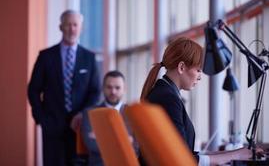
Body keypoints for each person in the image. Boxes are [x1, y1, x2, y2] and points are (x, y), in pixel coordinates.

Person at [140, 37, 253, 166]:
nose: (200, 77)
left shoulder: (162, 92)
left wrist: (234, 154)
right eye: (198, 70)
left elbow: (183, 154)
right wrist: (235, 155)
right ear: (181, 67)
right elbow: (181, 159)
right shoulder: (168, 99)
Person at [28, 10, 101, 166]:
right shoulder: (46, 56)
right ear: (61, 27)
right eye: (68, 24)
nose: (72, 29)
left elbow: (95, 92)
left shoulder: (89, 57)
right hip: (52, 126)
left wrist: (83, 114)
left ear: (81, 28)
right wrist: (41, 118)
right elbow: (33, 89)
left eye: (75, 25)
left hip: (79, 127)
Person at [81, 70, 138, 166]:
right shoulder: (90, 113)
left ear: (124, 89)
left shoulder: (133, 113)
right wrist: (125, 140)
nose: (113, 92)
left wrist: (102, 137)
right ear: (103, 88)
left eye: (117, 88)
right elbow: (91, 145)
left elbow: (136, 146)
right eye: (109, 87)